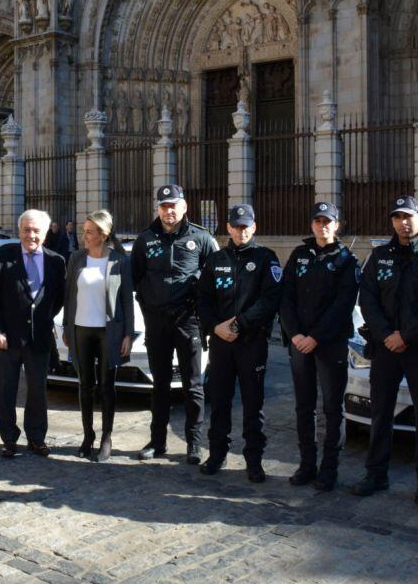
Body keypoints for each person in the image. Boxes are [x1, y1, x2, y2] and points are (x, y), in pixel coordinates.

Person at [350, 196, 418, 506]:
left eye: (408, 216)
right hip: (385, 346)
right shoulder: (379, 257)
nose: (403, 222)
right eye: (397, 217)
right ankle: (376, 474)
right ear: (392, 221)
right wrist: (386, 335)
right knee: (380, 412)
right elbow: (368, 299)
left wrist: (406, 336)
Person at [131, 184, 219, 463]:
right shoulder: (145, 239)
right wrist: (148, 311)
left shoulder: (201, 238)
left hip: (188, 322)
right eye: (164, 206)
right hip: (157, 322)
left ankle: (194, 443)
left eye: (174, 205)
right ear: (157, 208)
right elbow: (135, 280)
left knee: (193, 385)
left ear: (184, 207)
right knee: (161, 385)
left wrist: (206, 317)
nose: (169, 211)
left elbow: (215, 278)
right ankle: (158, 442)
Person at [196, 204, 282, 482]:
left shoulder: (266, 258)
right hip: (221, 342)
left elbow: (270, 300)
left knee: (252, 404)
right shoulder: (215, 259)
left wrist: (239, 324)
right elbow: (203, 300)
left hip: (251, 342)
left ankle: (254, 460)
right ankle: (217, 453)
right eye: (236, 226)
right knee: (219, 400)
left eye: (246, 226)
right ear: (229, 228)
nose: (241, 231)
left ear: (254, 227)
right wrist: (215, 327)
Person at [280, 202, 360, 491]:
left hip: (329, 345)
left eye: (328, 221)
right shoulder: (299, 255)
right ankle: (307, 465)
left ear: (337, 225)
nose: (322, 225)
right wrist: (295, 334)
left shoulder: (346, 260)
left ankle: (329, 469)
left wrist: (316, 336)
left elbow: (343, 305)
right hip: (299, 345)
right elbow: (285, 298)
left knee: (332, 408)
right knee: (304, 407)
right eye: (318, 221)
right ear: (312, 224)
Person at [0, 209, 66, 458]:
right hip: (7, 338)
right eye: (26, 230)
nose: (31, 235)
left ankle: (37, 438)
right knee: (5, 390)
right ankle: (9, 439)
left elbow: (58, 299)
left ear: (45, 232)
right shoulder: (3, 256)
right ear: (19, 230)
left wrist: (42, 319)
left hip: (39, 338)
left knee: (37, 391)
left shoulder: (56, 261)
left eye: (36, 231)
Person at [62, 210, 134, 462]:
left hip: (109, 333)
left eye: (90, 232)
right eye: (84, 230)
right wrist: (66, 327)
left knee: (106, 386)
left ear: (102, 235)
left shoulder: (119, 261)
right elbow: (68, 295)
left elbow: (127, 299)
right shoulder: (76, 259)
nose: (84, 236)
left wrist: (128, 334)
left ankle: (106, 437)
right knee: (84, 386)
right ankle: (87, 435)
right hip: (81, 330)